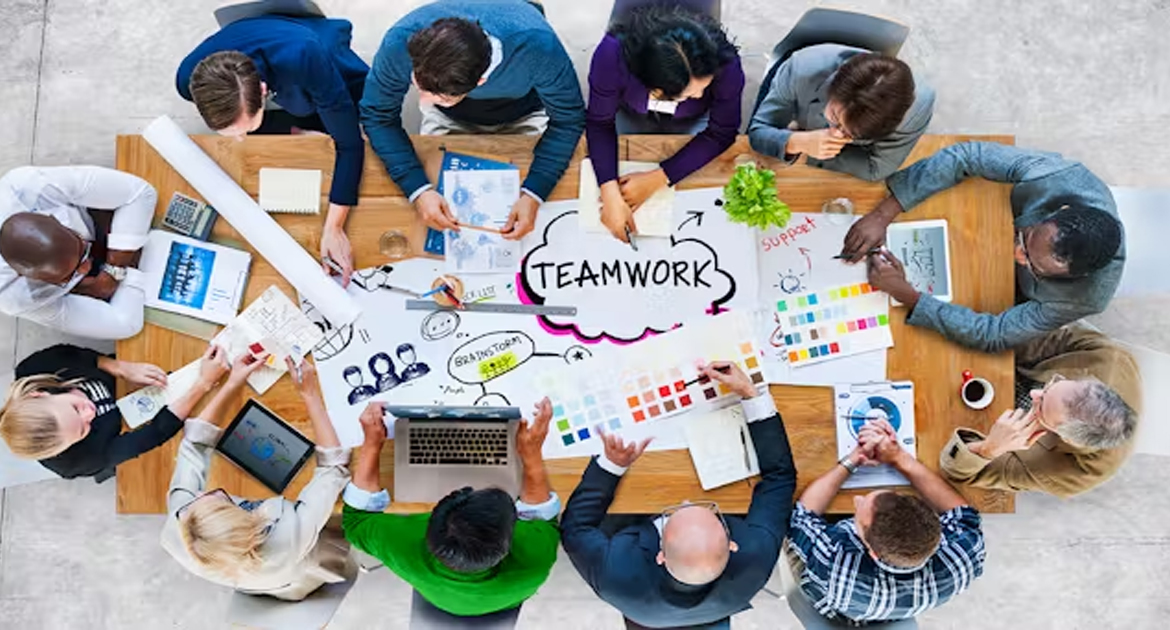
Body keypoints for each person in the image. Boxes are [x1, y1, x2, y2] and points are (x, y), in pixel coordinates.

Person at [560, 361, 797, 629]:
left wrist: (611, 466)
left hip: (649, 612)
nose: (685, 500)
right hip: (705, 608)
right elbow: (780, 478)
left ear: (660, 555)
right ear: (732, 545)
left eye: (672, 517)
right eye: (709, 513)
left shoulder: (614, 573)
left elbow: (575, 529)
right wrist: (752, 396)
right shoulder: (756, 556)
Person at [844, 142, 1125, 352]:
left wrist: (907, 294)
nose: (1015, 254)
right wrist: (883, 214)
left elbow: (995, 334)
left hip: (1000, 290)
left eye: (1032, 264)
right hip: (988, 218)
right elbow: (967, 156)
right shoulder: (1059, 176)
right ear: (1061, 209)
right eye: (1026, 239)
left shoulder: (1086, 298)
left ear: (1077, 277)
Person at [361, 0, 586, 241]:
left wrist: (534, 192)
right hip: (449, 118)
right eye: (418, 87)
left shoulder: (538, 46)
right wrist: (418, 189)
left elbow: (568, 118)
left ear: (480, 83)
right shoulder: (400, 42)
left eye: (439, 97)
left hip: (525, 112)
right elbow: (377, 114)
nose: (423, 102)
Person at [175, 12, 369, 286]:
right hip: (264, 44)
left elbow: (350, 145)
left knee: (350, 125)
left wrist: (334, 227)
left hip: (316, 52)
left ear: (264, 90)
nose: (240, 139)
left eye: (245, 128)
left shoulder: (306, 57)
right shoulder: (187, 80)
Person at [161, 355, 358, 600]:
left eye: (196, 500)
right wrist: (309, 393)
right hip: (296, 575)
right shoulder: (287, 538)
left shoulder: (180, 522)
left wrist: (233, 383)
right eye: (217, 496)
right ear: (250, 523)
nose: (199, 494)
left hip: (246, 577)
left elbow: (194, 443)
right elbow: (334, 467)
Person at [342, 399, 560, 619]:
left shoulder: (402, 546)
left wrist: (372, 443)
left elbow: (355, 521)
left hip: (441, 598)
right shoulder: (537, 558)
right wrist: (531, 454)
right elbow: (540, 515)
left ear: (431, 524)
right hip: (500, 600)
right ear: (509, 542)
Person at [787, 418, 985, 626]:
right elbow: (963, 513)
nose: (857, 499)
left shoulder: (833, 561)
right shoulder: (963, 557)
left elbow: (802, 517)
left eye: (858, 516)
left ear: (871, 552)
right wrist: (899, 457)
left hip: (836, 598)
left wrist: (853, 460)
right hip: (883, 607)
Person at [586, 5, 744, 242]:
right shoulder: (611, 55)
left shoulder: (726, 63)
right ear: (653, 89)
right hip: (629, 109)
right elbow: (599, 122)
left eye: (705, 86)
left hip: (690, 119)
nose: (700, 95)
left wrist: (660, 178)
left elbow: (722, 131)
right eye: (688, 93)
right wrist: (608, 191)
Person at [941, 323, 1140, 498]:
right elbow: (1032, 338)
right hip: (992, 366)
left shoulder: (1077, 474)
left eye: (1042, 405)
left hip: (971, 421)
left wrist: (989, 449)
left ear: (1067, 438)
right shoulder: (1107, 357)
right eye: (1055, 382)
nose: (1035, 393)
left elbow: (957, 473)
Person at [0, 344, 226, 482]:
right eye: (82, 431)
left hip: (124, 375)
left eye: (75, 407)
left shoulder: (33, 369)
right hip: (131, 417)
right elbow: (156, 432)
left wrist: (120, 368)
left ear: (39, 394)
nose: (90, 414)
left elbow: (72, 354)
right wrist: (203, 384)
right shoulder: (78, 460)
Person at [0, 166, 156, 339]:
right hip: (87, 280)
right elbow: (124, 324)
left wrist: (115, 270)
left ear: (54, 219)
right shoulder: (13, 297)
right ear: (28, 277)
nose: (86, 267)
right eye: (71, 273)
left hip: (99, 221)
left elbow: (141, 193)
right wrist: (80, 286)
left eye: (82, 249)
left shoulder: (30, 186)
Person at [748, 45, 934, 182]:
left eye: (851, 134)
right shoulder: (800, 69)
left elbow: (876, 169)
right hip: (797, 74)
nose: (836, 135)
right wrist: (797, 142)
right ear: (832, 90)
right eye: (835, 118)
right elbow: (758, 131)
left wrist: (810, 153)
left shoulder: (916, 110)